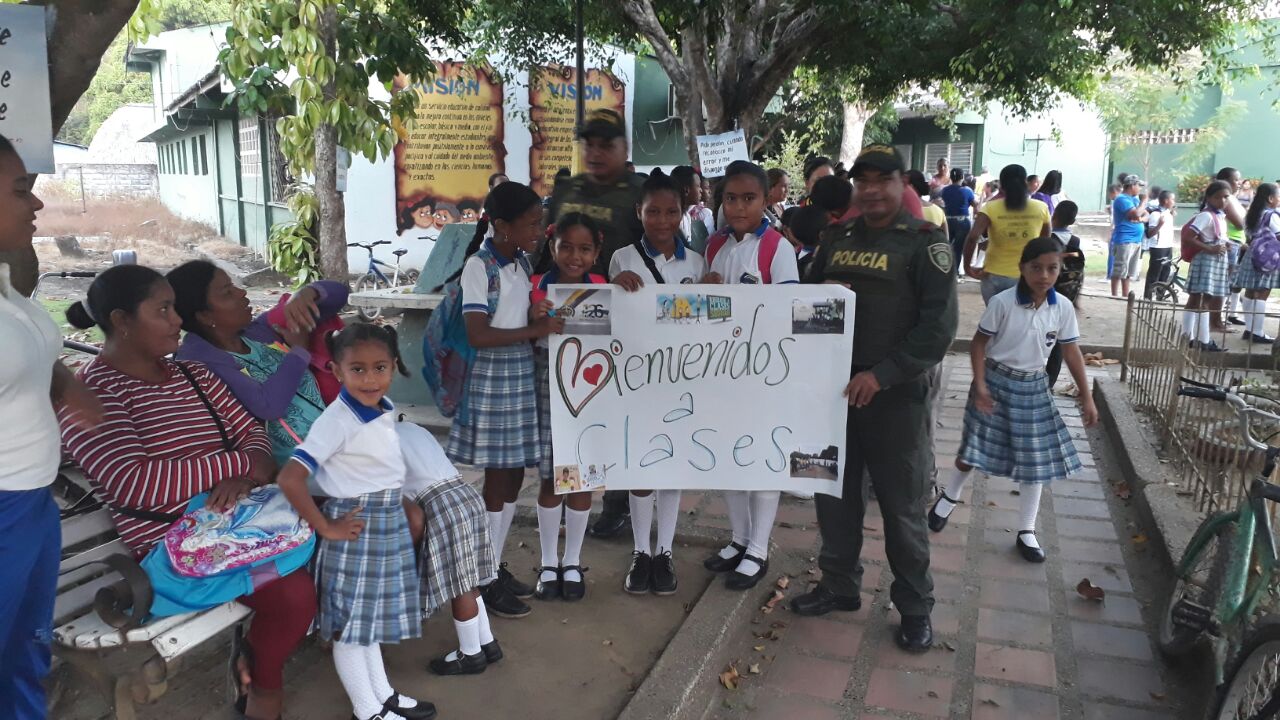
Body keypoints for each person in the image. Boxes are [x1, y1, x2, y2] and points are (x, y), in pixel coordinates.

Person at [59, 265, 314, 720]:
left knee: (336, 553)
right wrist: (234, 467)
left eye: (174, 307)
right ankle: (262, 693)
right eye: (163, 310)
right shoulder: (95, 391)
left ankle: (257, 664)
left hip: (237, 525)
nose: (178, 320)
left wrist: (244, 475)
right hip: (170, 549)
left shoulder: (194, 375)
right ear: (122, 320)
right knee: (293, 595)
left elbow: (256, 443)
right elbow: (132, 482)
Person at [790, 145, 957, 654]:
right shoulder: (835, 239)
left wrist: (882, 376)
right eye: (862, 181)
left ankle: (914, 608)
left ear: (901, 184)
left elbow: (938, 329)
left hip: (895, 399)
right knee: (833, 497)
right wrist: (823, 297)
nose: (870, 190)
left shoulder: (925, 243)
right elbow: (803, 309)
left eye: (881, 180)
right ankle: (838, 585)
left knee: (902, 508)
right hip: (832, 393)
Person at [275, 324, 433, 720]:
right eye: (357, 369)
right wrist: (326, 528)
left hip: (384, 523)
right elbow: (289, 477)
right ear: (336, 370)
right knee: (351, 627)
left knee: (370, 620)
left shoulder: (381, 405)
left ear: (394, 366)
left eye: (379, 367)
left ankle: (383, 694)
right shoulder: (337, 420)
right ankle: (367, 711)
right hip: (356, 529)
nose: (370, 378)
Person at [0, 133, 104, 720]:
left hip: (32, 505)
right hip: (4, 508)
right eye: (20, 191)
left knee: (22, 659)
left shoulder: (7, 288)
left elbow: (30, 355)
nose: (34, 204)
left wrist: (69, 386)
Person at [929, 237, 1098, 563]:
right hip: (993, 383)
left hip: (1033, 386)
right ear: (1022, 267)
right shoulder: (1003, 303)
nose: (1044, 275)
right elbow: (978, 345)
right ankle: (949, 498)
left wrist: (1087, 396)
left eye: (1052, 268)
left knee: (1035, 462)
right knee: (972, 450)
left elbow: (1071, 352)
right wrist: (980, 385)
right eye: (1036, 268)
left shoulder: (1061, 307)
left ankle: (1026, 530)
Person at [447, 181, 564, 618]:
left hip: (518, 374)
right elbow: (478, 333)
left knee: (514, 474)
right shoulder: (479, 267)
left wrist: (534, 315)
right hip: (494, 377)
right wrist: (533, 331)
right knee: (499, 477)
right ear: (500, 225)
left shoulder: (517, 259)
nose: (539, 229)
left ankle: (492, 565)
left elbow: (514, 311)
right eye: (532, 223)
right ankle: (482, 576)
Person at [546, 109, 644, 538]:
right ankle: (573, 492)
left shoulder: (638, 191)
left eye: (607, 144)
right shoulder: (567, 187)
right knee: (574, 407)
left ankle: (617, 501)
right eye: (590, 143)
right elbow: (545, 247)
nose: (596, 152)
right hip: (569, 316)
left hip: (625, 317)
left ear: (625, 150)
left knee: (619, 408)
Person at [610, 170, 708, 596]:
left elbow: (707, 321)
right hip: (635, 377)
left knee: (672, 465)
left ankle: (664, 551)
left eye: (672, 212)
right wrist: (613, 286)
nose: (663, 220)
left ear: (683, 213)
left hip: (681, 378)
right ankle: (640, 552)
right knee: (640, 465)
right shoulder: (622, 258)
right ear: (639, 212)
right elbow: (609, 311)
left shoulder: (697, 263)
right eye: (654, 212)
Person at [702, 160, 799, 591]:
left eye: (749, 198)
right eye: (730, 198)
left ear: (766, 199)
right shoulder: (713, 246)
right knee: (728, 458)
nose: (739, 207)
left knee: (761, 460)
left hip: (762, 374)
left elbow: (785, 313)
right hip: (720, 371)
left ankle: (759, 547)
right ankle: (738, 538)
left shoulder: (776, 248)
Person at [169, 262, 348, 464]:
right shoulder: (202, 363)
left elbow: (339, 294)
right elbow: (268, 406)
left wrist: (307, 293)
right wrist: (299, 352)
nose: (241, 292)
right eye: (228, 292)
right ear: (205, 315)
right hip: (297, 466)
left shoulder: (258, 331)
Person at [528, 213, 606, 602]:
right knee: (549, 478)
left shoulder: (603, 289)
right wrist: (533, 320)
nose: (575, 256)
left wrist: (625, 291)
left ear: (597, 252)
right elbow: (521, 339)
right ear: (553, 246)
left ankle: (572, 561)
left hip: (589, 391)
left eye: (585, 249)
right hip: (547, 383)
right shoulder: (535, 289)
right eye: (567, 247)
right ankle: (547, 562)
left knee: (581, 475)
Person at [398, 421, 503, 677]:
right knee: (470, 579)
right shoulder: (413, 428)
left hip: (440, 505)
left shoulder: (377, 443)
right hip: (467, 495)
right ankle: (487, 643)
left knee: (459, 586)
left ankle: (470, 655)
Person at [964, 164, 1051, 304]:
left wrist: (968, 267)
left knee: (995, 321)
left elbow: (973, 237)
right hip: (1026, 277)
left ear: (1002, 186)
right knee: (1021, 320)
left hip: (993, 275)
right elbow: (1046, 242)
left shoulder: (990, 208)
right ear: (1025, 183)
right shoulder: (1041, 208)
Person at [1181, 181, 1234, 353]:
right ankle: (1203, 340)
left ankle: (1187, 336)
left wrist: (1228, 244)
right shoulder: (1206, 215)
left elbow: (1219, 236)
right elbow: (1189, 236)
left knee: (1197, 299)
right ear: (1209, 198)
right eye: (1217, 197)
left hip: (1216, 259)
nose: (1222, 200)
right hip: (1207, 260)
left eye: (1226, 197)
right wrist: (1210, 248)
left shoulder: (1220, 216)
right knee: (1204, 299)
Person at [1232, 182, 1280, 344]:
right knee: (1262, 293)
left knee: (1251, 292)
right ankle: (1257, 332)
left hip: (1252, 255)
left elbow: (1248, 234)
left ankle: (1249, 329)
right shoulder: (1271, 215)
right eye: (1278, 196)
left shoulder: (1251, 213)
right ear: (1270, 198)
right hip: (1267, 258)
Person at [1047, 202, 1086, 386]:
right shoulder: (1075, 242)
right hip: (1067, 296)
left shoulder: (1048, 239)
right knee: (1059, 342)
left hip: (1048, 294)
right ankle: (1051, 382)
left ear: (1054, 216)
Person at [1216, 167, 1249, 329]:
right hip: (1230, 242)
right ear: (1226, 181)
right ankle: (1217, 319)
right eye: (1236, 180)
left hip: (1236, 242)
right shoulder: (1226, 199)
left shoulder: (1233, 198)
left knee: (1229, 282)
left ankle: (1223, 316)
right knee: (1224, 282)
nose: (1239, 183)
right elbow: (1239, 223)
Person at [1110, 174, 1148, 297]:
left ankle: (1125, 295)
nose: (1140, 189)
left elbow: (1146, 215)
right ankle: (1114, 295)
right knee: (1119, 269)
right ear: (1132, 185)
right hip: (1125, 239)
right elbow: (1135, 213)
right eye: (1138, 186)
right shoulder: (1122, 199)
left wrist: (1141, 219)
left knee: (1128, 272)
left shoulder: (1134, 200)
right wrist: (1143, 202)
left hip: (1136, 240)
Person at [941, 168, 977, 273]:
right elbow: (975, 206)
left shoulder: (945, 190)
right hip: (962, 222)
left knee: (946, 247)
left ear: (951, 178)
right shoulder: (967, 190)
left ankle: (944, 271)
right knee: (958, 249)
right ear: (962, 177)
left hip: (947, 221)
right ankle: (954, 274)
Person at [1143, 190, 1178, 300]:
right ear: (1166, 201)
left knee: (1165, 272)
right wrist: (1160, 224)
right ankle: (1147, 296)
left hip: (1167, 246)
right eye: (1172, 199)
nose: (1174, 202)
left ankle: (1160, 296)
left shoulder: (1168, 213)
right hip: (1158, 247)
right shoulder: (1155, 214)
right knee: (1154, 273)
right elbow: (1150, 233)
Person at [672, 165, 714, 252]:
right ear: (687, 190)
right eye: (698, 186)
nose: (701, 190)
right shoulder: (672, 218)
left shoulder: (686, 216)